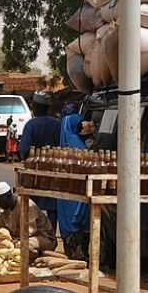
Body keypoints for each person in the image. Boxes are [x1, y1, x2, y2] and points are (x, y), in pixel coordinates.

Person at [20, 91, 62, 231]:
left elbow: (24, 149)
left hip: (35, 173)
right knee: (53, 206)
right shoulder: (57, 124)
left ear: (35, 107)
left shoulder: (31, 125)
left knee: (31, 204)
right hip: (55, 172)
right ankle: (51, 235)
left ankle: (34, 234)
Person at [57, 108, 90, 260]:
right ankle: (80, 251)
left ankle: (72, 249)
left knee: (67, 216)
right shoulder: (80, 145)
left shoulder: (63, 144)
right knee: (79, 220)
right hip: (78, 193)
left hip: (65, 192)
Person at [0, 181, 56, 257]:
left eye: (0, 201)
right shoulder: (6, 210)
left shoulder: (27, 205)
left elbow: (28, 233)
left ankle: (37, 254)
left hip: (43, 238)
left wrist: (12, 242)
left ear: (8, 195)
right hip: (19, 239)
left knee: (22, 245)